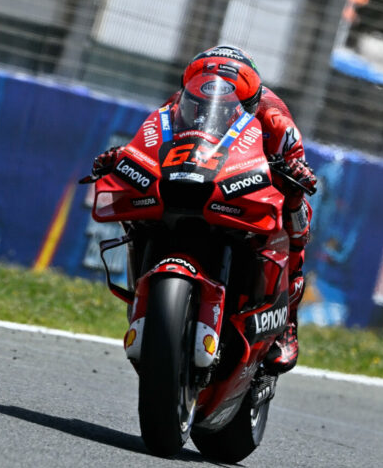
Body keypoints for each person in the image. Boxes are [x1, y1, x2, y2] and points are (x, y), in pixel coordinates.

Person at [92, 45, 317, 375]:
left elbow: (298, 162)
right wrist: (122, 155)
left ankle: (287, 325)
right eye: (198, 100)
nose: (211, 108)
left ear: (251, 101)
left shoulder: (277, 120)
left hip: (251, 181)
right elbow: (152, 140)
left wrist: (296, 171)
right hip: (196, 174)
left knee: (298, 215)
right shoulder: (175, 103)